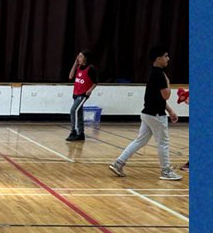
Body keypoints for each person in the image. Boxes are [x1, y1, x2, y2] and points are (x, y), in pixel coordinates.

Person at [109, 45, 182, 181]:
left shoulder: (154, 73)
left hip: (148, 114)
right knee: (163, 143)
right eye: (166, 56)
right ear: (158, 58)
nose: (168, 58)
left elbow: (159, 98)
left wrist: (171, 111)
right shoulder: (159, 75)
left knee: (140, 141)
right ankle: (166, 171)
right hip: (156, 115)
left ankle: (118, 163)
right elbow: (166, 95)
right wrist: (168, 82)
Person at [66, 51, 98, 141]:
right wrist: (75, 64)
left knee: (73, 110)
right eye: (78, 56)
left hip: (83, 94)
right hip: (76, 93)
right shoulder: (78, 67)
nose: (78, 58)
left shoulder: (90, 68)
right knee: (79, 113)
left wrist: (90, 90)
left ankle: (74, 131)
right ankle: (81, 134)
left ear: (85, 58)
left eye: (80, 56)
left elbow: (95, 82)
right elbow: (70, 76)